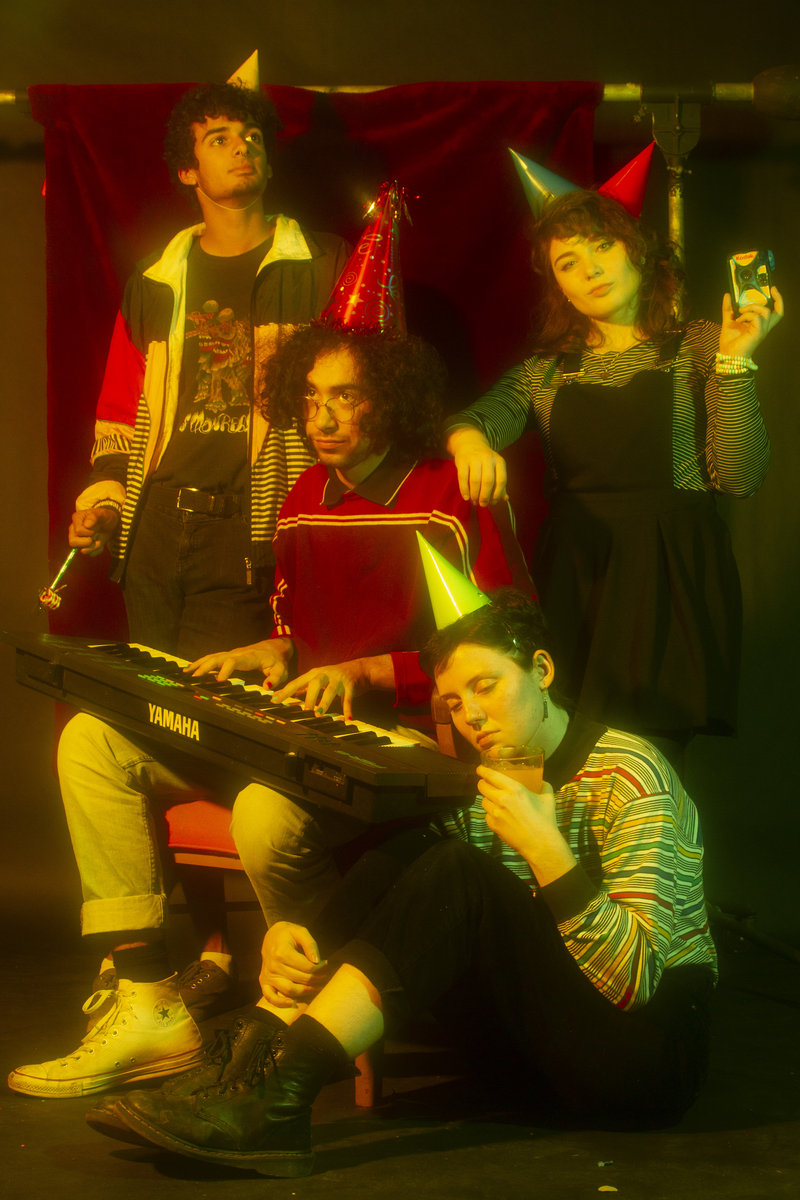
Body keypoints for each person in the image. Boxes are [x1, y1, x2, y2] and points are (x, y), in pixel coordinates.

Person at [7, 324, 532, 1101]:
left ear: (389, 400)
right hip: (300, 737)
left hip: (407, 749)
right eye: (310, 398)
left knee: (263, 811)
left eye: (345, 396)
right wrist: (269, 653)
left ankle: (310, 1013)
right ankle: (148, 1000)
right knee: (93, 739)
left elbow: (505, 646)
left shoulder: (445, 493)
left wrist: (371, 671)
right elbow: (303, 636)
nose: (322, 417)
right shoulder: (301, 497)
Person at [89, 589, 717, 1177]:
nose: (473, 716)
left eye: (487, 686)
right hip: (527, 1060)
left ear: (542, 671)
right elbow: (414, 905)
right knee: (416, 846)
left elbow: (637, 982)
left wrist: (547, 851)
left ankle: (280, 1095)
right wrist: (300, 935)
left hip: (642, 1063)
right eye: (455, 703)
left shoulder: (632, 774)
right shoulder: (483, 776)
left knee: (459, 868)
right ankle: (247, 1058)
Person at [62, 77, 349, 1016]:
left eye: (251, 134)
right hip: (160, 533)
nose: (241, 147)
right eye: (219, 137)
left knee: (237, 736)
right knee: (153, 733)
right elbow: (119, 412)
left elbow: (362, 390)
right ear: (188, 168)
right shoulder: (158, 278)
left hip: (252, 528)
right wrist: (104, 500)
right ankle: (209, 956)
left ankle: (285, 963)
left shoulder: (323, 263)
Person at [445, 188, 784, 768]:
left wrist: (734, 361)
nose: (590, 270)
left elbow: (738, 477)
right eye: (568, 262)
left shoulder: (700, 344)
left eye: (602, 246)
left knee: (651, 762)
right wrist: (470, 442)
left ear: (638, 251)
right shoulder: (545, 371)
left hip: (671, 579)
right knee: (568, 759)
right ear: (559, 286)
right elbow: (475, 419)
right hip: (579, 581)